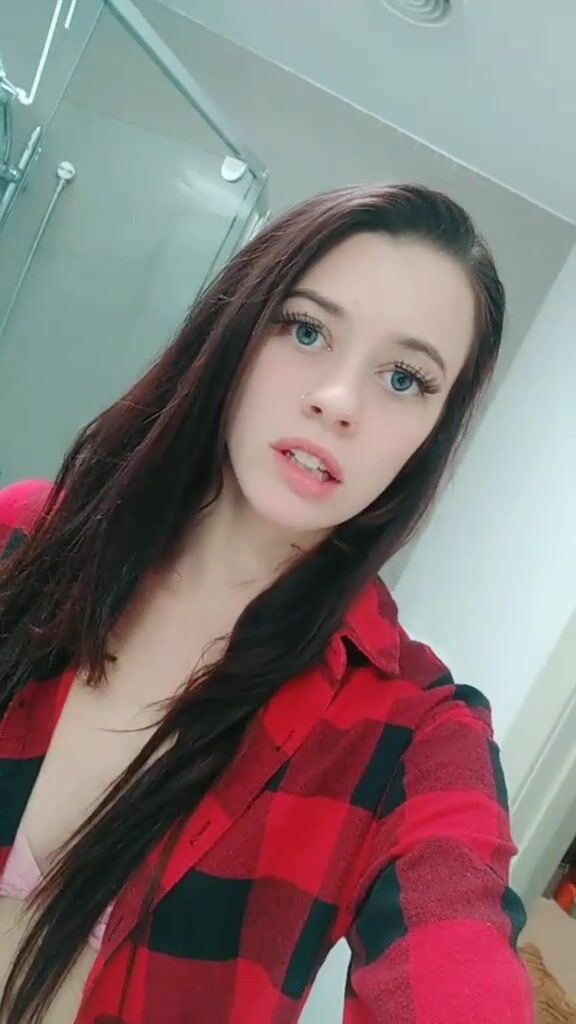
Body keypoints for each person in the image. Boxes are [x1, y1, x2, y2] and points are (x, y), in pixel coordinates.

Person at [0, 184, 533, 1024]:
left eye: (404, 378)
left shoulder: (416, 732)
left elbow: (452, 948)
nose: (339, 401)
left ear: (433, 432)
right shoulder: (26, 539)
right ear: (239, 330)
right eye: (308, 330)